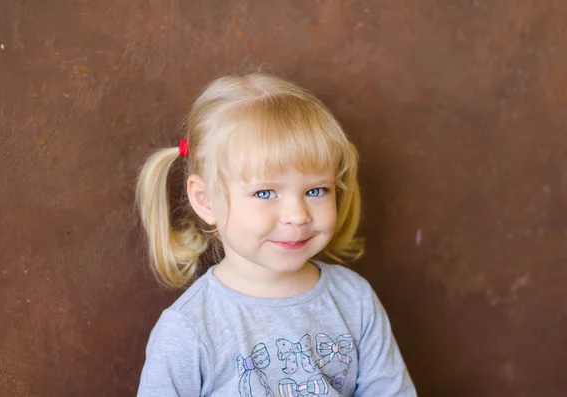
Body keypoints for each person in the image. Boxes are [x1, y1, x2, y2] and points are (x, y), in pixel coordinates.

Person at [135, 73, 417, 396]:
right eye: (265, 193)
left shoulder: (355, 301)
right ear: (205, 200)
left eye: (315, 190)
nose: (298, 215)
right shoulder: (188, 330)